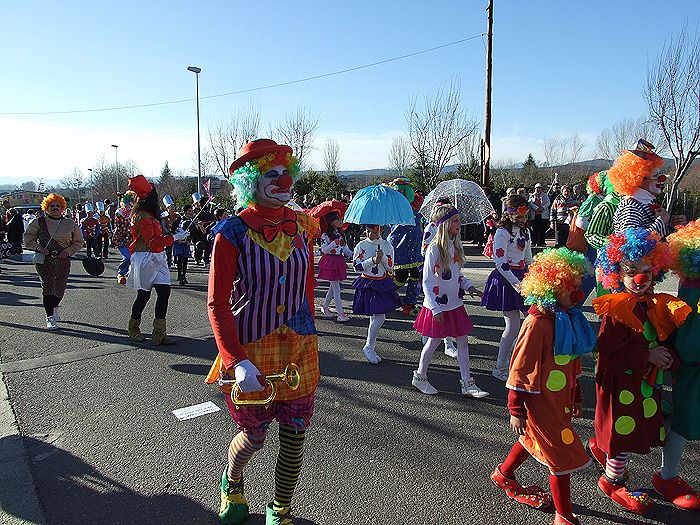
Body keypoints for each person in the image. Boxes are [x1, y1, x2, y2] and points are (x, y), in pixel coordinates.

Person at [204, 139, 320, 525]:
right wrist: (235, 360)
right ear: (251, 181)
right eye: (272, 174)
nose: (284, 180)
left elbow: (307, 285)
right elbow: (217, 303)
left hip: (299, 348)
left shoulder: (302, 225)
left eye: (288, 173)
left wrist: (309, 325)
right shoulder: (232, 233)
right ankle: (232, 483)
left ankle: (281, 508)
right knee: (254, 436)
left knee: (295, 434)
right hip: (251, 349)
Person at [490, 248, 596, 525]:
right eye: (567, 286)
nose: (575, 293)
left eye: (576, 285)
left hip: (559, 398)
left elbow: (572, 362)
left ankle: (503, 474)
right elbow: (520, 367)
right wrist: (516, 408)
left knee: (533, 440)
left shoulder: (568, 317)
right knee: (560, 454)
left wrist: (577, 394)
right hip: (538, 399)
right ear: (549, 287)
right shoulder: (536, 322)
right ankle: (564, 516)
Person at [589, 228, 690, 515]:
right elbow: (609, 354)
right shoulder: (616, 308)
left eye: (646, 271)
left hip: (644, 385)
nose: (640, 279)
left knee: (635, 429)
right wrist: (647, 355)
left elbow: (663, 338)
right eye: (631, 271)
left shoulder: (655, 304)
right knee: (622, 432)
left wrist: (668, 357)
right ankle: (611, 480)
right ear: (615, 273)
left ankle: (608, 460)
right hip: (622, 386)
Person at [411, 203, 487, 398]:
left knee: (462, 341)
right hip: (437, 305)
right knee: (434, 342)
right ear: (444, 224)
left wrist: (469, 287)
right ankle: (419, 377)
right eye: (455, 221)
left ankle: (467, 383)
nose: (459, 224)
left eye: (459, 220)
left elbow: (457, 276)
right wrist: (435, 308)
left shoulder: (455, 245)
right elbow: (426, 282)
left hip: (454, 303)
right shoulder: (434, 249)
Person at [654, 222, 700, 510]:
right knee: (683, 420)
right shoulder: (693, 286)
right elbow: (690, 328)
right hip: (693, 363)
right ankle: (667, 476)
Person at [126, 175, 187, 345]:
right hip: (146, 257)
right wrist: (174, 238)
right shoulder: (143, 216)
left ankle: (159, 333)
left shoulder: (151, 215)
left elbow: (158, 241)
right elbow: (152, 242)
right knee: (144, 295)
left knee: (164, 292)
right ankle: (133, 327)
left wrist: (174, 236)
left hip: (158, 256)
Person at [481, 195, 532, 381]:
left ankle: (518, 361)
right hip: (506, 280)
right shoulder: (502, 233)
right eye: (519, 216)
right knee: (512, 326)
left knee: (531, 322)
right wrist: (516, 284)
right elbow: (500, 263)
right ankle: (500, 367)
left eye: (525, 215)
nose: (523, 220)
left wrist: (532, 279)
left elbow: (528, 259)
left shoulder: (526, 231)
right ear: (509, 214)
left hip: (522, 279)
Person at [23, 193, 83, 330]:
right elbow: (28, 239)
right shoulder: (38, 222)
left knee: (60, 288)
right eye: (52, 206)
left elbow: (78, 242)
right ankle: (49, 317)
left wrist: (67, 251)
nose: (55, 208)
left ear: (62, 208)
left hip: (63, 259)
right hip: (44, 260)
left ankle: (55, 306)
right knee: (48, 286)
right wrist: (38, 248)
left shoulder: (70, 223)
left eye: (58, 206)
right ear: (46, 207)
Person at [611, 139, 684, 236]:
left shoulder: (646, 202)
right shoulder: (631, 206)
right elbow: (630, 243)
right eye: (655, 176)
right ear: (639, 179)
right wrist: (661, 222)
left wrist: (675, 225)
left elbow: (658, 237)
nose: (661, 179)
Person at [352, 224, 402, 364]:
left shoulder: (386, 245)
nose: (370, 234)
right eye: (368, 231)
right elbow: (356, 266)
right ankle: (369, 347)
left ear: (380, 230)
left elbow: (390, 267)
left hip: (381, 283)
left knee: (378, 317)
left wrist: (383, 258)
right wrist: (372, 261)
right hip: (367, 283)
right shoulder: (361, 245)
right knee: (378, 317)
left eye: (373, 232)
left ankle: (370, 347)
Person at [387, 177, 424, 316]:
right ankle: (385, 295)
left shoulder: (416, 207)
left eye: (404, 192)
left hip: (414, 245)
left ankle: (409, 304)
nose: (401, 194)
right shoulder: (393, 209)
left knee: (415, 274)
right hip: (398, 245)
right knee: (400, 276)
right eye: (399, 192)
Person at [318, 211, 352, 322]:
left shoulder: (342, 234)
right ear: (332, 222)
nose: (340, 221)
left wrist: (356, 256)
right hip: (330, 262)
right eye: (337, 219)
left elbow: (346, 250)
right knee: (337, 289)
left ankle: (325, 307)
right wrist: (334, 243)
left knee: (333, 288)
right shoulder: (325, 235)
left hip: (339, 261)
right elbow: (324, 250)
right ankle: (340, 313)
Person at [112, 192, 135, 285]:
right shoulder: (119, 212)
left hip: (133, 240)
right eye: (130, 202)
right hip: (122, 239)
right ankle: (121, 273)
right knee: (127, 257)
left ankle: (131, 275)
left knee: (134, 258)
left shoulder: (135, 213)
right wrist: (117, 239)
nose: (131, 204)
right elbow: (117, 227)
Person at [173, 205, 193, 286]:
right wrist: (177, 239)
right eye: (189, 211)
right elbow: (173, 230)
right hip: (178, 242)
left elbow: (192, 233)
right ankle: (179, 275)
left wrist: (189, 240)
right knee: (180, 258)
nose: (190, 213)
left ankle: (184, 275)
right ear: (185, 212)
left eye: (191, 211)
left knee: (185, 260)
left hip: (186, 243)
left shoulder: (192, 221)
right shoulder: (179, 220)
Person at [528, 183, 550, 248]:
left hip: (543, 215)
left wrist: (543, 208)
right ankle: (534, 242)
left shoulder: (545, 195)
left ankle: (542, 242)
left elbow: (548, 203)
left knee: (542, 229)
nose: (538, 189)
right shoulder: (532, 196)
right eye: (536, 188)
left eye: (539, 188)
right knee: (534, 229)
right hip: (534, 215)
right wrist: (537, 208)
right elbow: (530, 203)